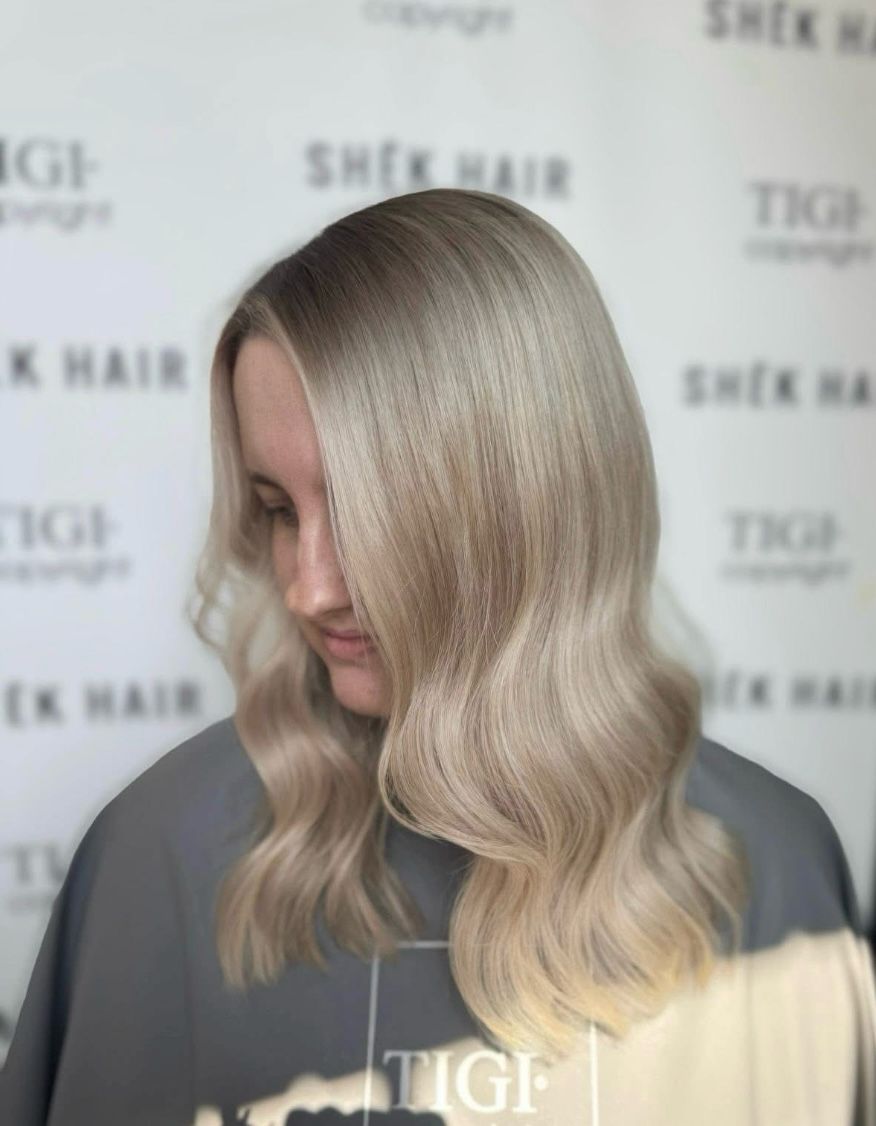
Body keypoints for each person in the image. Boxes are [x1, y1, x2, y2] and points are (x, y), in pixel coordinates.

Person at [1, 188, 873, 1126]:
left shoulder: (776, 870)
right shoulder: (162, 856)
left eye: (367, 511)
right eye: (280, 511)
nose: (309, 589)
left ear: (534, 499)